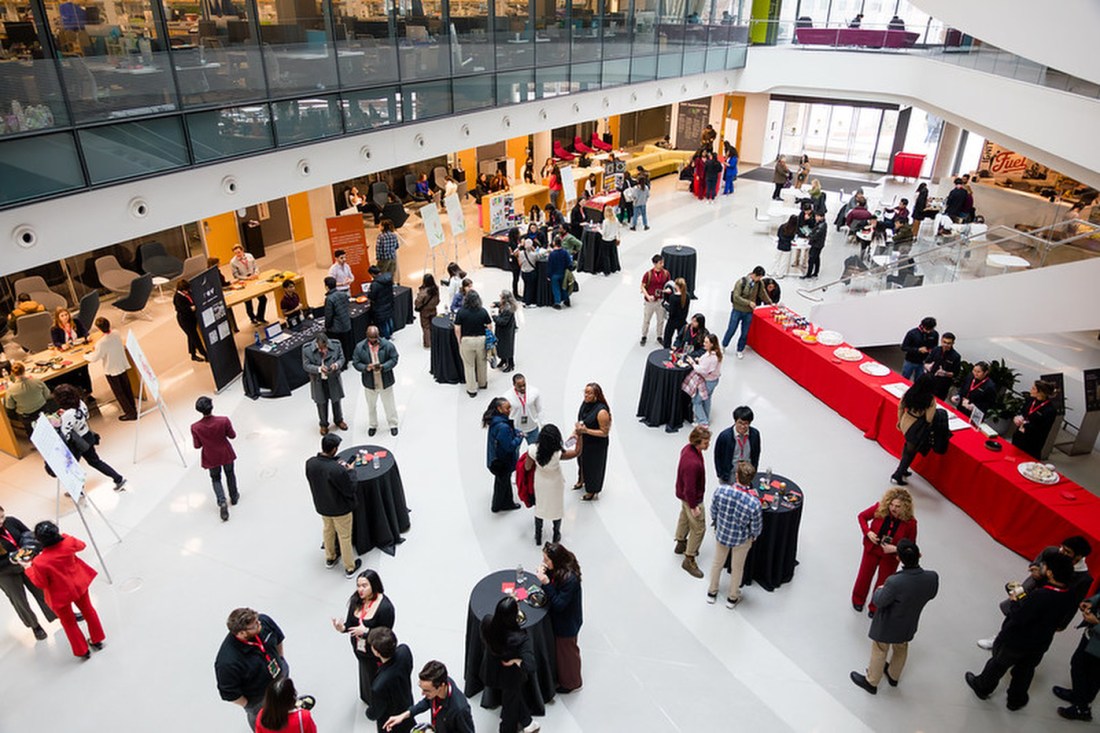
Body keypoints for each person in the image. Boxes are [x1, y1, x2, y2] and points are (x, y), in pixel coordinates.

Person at [966, 552, 1078, 711]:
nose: (1041, 567)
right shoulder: (1070, 593)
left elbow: (1019, 616)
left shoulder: (1041, 595)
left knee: (998, 664)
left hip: (1015, 640)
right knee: (1025, 671)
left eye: (1045, 566)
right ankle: (1016, 699)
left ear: (1051, 573)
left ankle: (982, 686)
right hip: (1040, 642)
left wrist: (1015, 601)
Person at [849, 539, 939, 695]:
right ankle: (893, 675)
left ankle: (872, 681)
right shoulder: (932, 577)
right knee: (901, 647)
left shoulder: (894, 582)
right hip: (909, 622)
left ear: (898, 558)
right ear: (919, 555)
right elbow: (931, 594)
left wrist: (880, 589)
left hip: (888, 624)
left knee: (880, 649)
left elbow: (879, 601)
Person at [978, 536, 1093, 650]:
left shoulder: (1083, 579)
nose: (1062, 552)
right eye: (1062, 548)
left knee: (1034, 629)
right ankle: (999, 640)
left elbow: (1073, 603)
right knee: (1013, 617)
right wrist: (1036, 569)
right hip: (1030, 592)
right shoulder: (1052, 551)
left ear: (1079, 556)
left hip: (1048, 606)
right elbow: (1038, 562)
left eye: (1067, 551)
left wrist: (1063, 623)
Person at [20, 520, 104, 660]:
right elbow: (82, 545)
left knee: (68, 622)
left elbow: (40, 583)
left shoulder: (40, 562)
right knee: (88, 610)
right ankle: (97, 639)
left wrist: (28, 568)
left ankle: (82, 650)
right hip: (78, 583)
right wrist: (64, 536)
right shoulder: (68, 542)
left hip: (59, 594)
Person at [214, 607, 288, 730]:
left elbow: (278, 639)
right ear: (241, 633)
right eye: (255, 625)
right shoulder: (228, 662)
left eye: (257, 621)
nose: (260, 624)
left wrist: (281, 660)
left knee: (286, 704)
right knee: (267, 726)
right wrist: (251, 705)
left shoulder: (263, 621)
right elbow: (230, 693)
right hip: (260, 698)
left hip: (280, 676)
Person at [331, 569, 395, 704]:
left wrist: (366, 632)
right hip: (360, 650)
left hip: (375, 652)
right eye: (358, 585)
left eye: (364, 586)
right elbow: (350, 625)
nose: (360, 590)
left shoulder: (385, 608)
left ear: (374, 585)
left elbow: (386, 635)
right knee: (366, 675)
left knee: (377, 677)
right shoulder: (356, 601)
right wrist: (342, 628)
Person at [852, 487, 918, 613]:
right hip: (872, 549)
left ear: (905, 507)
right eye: (891, 505)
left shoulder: (911, 523)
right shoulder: (880, 508)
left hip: (891, 556)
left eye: (898, 506)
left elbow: (911, 545)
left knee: (884, 583)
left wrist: (895, 548)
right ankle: (858, 600)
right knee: (864, 576)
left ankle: (875, 606)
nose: (893, 508)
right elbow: (862, 517)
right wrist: (868, 532)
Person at [480, 596, 539, 733]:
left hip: (491, 669)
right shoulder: (520, 638)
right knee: (509, 708)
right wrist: (517, 661)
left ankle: (527, 721)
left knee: (514, 697)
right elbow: (530, 666)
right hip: (510, 677)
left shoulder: (487, 622)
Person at [707, 461, 762, 607]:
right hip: (741, 539)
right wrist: (753, 535)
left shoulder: (721, 491)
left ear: (736, 475)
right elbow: (756, 526)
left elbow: (713, 511)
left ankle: (712, 592)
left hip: (722, 533)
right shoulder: (754, 503)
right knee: (737, 568)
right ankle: (732, 597)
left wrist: (718, 523)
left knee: (717, 563)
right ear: (751, 480)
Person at [306, 433, 361, 578]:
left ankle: (330, 558)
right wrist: (351, 471)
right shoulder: (337, 470)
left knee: (328, 531)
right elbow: (350, 489)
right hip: (340, 509)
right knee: (344, 536)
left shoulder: (310, 463)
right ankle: (350, 567)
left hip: (323, 506)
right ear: (335, 449)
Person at [53, 383, 126, 490]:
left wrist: (58, 422)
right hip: (87, 436)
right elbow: (86, 416)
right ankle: (118, 478)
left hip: (76, 443)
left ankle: (78, 489)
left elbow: (66, 434)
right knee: (95, 461)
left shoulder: (67, 415)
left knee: (72, 467)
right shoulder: (81, 403)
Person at [0, 505, 56, 641]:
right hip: (5, 572)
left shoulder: (11, 521)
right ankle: (35, 626)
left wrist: (30, 549)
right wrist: (10, 559)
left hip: (26, 563)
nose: (1, 522)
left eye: (2, 517)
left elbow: (29, 534)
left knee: (42, 590)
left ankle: (58, 614)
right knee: (19, 600)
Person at [536, 542, 584, 693]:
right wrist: (546, 573)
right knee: (562, 654)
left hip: (567, 623)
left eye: (546, 560)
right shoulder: (560, 569)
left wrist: (546, 582)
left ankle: (572, 683)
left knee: (567, 655)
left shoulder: (570, 579)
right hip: (560, 620)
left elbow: (559, 604)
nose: (544, 562)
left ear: (556, 560)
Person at [383, 660, 475, 733]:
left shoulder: (460, 710)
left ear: (441, 686)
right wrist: (403, 716)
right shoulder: (441, 684)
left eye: (427, 690)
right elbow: (427, 701)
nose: (422, 693)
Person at [525, 425, 579, 544]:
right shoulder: (558, 454)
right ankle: (556, 534)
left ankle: (538, 536)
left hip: (540, 482)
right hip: (555, 483)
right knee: (556, 508)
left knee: (540, 507)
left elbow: (527, 466)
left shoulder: (532, 449)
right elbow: (576, 452)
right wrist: (578, 437)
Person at [1053, 587, 1100, 720]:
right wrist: (1091, 602)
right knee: (1080, 665)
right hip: (1092, 636)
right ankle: (1079, 694)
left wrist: (1096, 623)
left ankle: (1082, 708)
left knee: (1092, 673)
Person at [191, 395, 239, 521]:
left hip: (210, 456)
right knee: (230, 474)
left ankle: (221, 501)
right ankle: (234, 497)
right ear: (212, 407)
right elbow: (232, 435)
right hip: (225, 453)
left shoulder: (195, 427)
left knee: (215, 478)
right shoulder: (223, 420)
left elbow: (197, 445)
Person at [674, 426, 710, 578]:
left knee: (684, 517)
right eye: (705, 442)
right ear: (697, 442)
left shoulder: (687, 449)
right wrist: (694, 506)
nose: (708, 445)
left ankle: (681, 541)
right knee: (699, 528)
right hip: (692, 498)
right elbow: (690, 488)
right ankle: (689, 558)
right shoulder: (692, 464)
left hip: (683, 495)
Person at [352, 326, 400, 437]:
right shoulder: (360, 347)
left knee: (389, 404)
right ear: (367, 336)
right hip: (369, 381)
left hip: (385, 380)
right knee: (371, 405)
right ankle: (373, 425)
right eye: (371, 338)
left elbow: (394, 358)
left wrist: (383, 366)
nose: (373, 340)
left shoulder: (387, 345)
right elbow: (356, 362)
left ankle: (393, 424)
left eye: (375, 338)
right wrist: (365, 367)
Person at [365, 627, 414, 732]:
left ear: (377, 652)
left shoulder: (379, 685)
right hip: (407, 706)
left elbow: (375, 713)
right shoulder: (404, 651)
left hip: (390, 723)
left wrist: (368, 712)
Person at [891, 375, 937, 484]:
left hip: (906, 421)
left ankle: (903, 469)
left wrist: (900, 419)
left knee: (907, 447)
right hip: (917, 427)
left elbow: (901, 406)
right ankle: (898, 473)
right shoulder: (930, 399)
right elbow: (929, 418)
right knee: (911, 451)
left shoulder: (910, 392)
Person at [721, 266, 772, 358]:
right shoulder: (741, 282)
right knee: (731, 329)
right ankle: (724, 345)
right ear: (754, 274)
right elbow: (736, 297)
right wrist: (749, 302)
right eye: (759, 277)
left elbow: (763, 294)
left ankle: (740, 349)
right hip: (737, 310)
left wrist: (771, 303)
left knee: (745, 332)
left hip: (748, 312)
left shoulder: (759, 284)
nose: (759, 279)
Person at [484, 397, 523, 512]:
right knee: (502, 483)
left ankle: (508, 502)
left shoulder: (496, 422)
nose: (510, 410)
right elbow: (510, 446)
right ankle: (497, 505)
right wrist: (519, 438)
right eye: (507, 408)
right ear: (499, 409)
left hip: (496, 460)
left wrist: (515, 433)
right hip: (503, 462)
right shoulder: (503, 427)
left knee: (503, 482)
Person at [302, 334, 347, 435]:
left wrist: (336, 365)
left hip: (333, 379)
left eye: (326, 347)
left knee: (336, 400)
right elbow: (306, 365)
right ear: (317, 344)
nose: (324, 350)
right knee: (321, 403)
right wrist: (318, 369)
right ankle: (323, 424)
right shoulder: (307, 349)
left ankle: (339, 420)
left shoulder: (336, 344)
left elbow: (341, 358)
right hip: (318, 381)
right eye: (322, 349)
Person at [574, 383, 611, 501]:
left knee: (593, 467)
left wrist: (586, 430)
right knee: (581, 462)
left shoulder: (602, 412)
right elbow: (582, 420)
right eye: (585, 392)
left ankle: (591, 491)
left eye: (589, 393)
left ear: (596, 395)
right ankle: (581, 480)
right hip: (584, 441)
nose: (586, 395)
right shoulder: (585, 404)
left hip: (596, 446)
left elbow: (604, 432)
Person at [454, 290, 492, 398]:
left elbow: (457, 328)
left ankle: (471, 389)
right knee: (482, 362)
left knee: (469, 365)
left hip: (467, 341)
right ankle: (482, 383)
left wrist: (459, 340)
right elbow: (489, 326)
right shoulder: (483, 311)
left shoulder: (461, 312)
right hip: (481, 340)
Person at [713, 405, 761, 484]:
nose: (742, 426)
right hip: (730, 474)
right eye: (740, 423)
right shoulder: (725, 436)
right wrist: (721, 474)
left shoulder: (754, 434)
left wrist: (753, 471)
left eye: (746, 423)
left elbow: (756, 454)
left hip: (746, 475)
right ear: (735, 421)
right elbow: (718, 456)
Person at [1012, 379, 1059, 460]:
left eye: (1033, 388)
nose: (1031, 390)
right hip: (1019, 437)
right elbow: (1023, 412)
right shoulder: (1030, 400)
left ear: (1040, 392)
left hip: (1032, 443)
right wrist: (1017, 418)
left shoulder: (1050, 410)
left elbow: (1042, 429)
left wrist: (1026, 426)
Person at [684, 334, 723, 427]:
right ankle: (706, 417)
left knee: (696, 401)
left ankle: (703, 421)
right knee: (706, 399)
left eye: (706, 342)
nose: (704, 344)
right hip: (713, 380)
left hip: (708, 382)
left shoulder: (712, 358)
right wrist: (699, 360)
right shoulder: (714, 353)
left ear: (712, 344)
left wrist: (693, 363)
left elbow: (702, 370)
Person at [3, 361, 51, 433]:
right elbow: (47, 395)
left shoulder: (11, 390)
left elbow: (10, 407)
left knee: (5, 404)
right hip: (42, 409)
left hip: (27, 416)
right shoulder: (37, 381)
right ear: (24, 370)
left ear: (12, 374)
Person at [230, 243, 267, 324]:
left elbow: (255, 266)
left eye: (239, 252)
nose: (238, 254)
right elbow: (235, 275)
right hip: (245, 281)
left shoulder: (249, 256)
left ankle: (260, 317)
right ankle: (252, 318)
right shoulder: (233, 262)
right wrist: (246, 278)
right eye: (236, 253)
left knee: (263, 299)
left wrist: (256, 273)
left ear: (242, 250)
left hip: (254, 278)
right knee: (248, 301)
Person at [502, 373, 543, 445]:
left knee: (535, 452)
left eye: (524, 385)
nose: (523, 388)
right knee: (514, 453)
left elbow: (539, 409)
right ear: (514, 385)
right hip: (516, 429)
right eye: (519, 386)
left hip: (532, 428)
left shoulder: (534, 392)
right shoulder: (507, 396)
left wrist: (543, 425)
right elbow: (504, 415)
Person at [173, 278, 207, 362]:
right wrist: (192, 308)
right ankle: (205, 354)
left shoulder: (189, 292)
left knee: (191, 336)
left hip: (192, 318)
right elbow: (183, 309)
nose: (187, 292)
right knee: (195, 337)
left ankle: (193, 354)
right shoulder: (178, 298)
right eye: (185, 291)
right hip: (185, 320)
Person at [640, 254, 670, 346]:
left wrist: (667, 290)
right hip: (650, 302)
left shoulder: (666, 273)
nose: (662, 264)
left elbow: (669, 285)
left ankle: (659, 336)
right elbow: (642, 286)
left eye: (662, 262)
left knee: (660, 320)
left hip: (660, 301)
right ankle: (644, 335)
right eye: (660, 263)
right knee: (646, 319)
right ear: (655, 263)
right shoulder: (648, 274)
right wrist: (648, 296)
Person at [323, 275, 354, 363]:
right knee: (346, 344)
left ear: (327, 287)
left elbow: (329, 315)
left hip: (336, 328)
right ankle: (348, 359)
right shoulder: (343, 294)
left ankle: (342, 364)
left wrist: (327, 326)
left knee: (338, 347)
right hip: (346, 323)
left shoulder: (329, 299)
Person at [900, 316, 938, 382]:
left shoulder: (935, 334)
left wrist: (931, 351)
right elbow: (904, 347)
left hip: (923, 362)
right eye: (927, 329)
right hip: (910, 361)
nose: (928, 332)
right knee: (904, 379)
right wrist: (918, 350)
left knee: (919, 381)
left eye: (931, 330)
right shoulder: (912, 333)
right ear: (922, 326)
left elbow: (935, 347)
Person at [923, 332, 960, 400]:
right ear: (941, 340)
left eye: (948, 343)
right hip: (929, 380)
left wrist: (945, 373)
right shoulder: (936, 349)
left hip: (942, 386)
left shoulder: (956, 356)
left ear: (953, 343)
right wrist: (927, 366)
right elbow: (926, 362)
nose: (945, 345)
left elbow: (955, 374)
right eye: (944, 342)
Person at [367, 265, 396, 338]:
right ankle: (391, 333)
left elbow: (372, 296)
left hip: (380, 307)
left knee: (383, 323)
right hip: (389, 303)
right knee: (389, 319)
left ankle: (387, 337)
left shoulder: (375, 284)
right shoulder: (388, 278)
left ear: (372, 274)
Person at [662, 277, 690, 351]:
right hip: (682, 320)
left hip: (672, 321)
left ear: (677, 286)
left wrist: (665, 305)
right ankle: (679, 350)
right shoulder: (687, 296)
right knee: (681, 337)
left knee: (667, 338)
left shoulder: (673, 297)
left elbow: (672, 312)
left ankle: (666, 351)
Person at [493, 291, 519, 372]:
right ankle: (503, 360)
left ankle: (511, 364)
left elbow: (503, 321)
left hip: (506, 332)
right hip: (503, 331)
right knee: (501, 346)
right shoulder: (506, 305)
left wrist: (494, 317)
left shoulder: (508, 309)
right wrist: (495, 304)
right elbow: (500, 304)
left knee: (507, 347)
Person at [413, 273, 440, 349]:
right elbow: (438, 299)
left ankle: (428, 344)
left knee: (426, 327)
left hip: (425, 311)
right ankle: (435, 340)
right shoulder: (436, 288)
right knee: (433, 325)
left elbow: (417, 302)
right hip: (433, 309)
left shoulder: (423, 292)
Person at [546, 237, 573, 309]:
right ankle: (566, 299)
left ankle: (557, 302)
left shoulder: (552, 254)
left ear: (554, 243)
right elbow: (569, 262)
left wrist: (548, 275)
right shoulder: (565, 252)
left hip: (554, 274)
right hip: (563, 273)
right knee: (563, 287)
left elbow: (550, 266)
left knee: (556, 288)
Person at [800, 211, 827, 279]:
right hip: (819, 244)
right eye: (816, 216)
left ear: (822, 217)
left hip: (816, 244)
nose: (816, 218)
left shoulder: (821, 226)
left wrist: (809, 236)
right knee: (817, 258)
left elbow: (816, 235)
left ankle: (809, 274)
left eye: (818, 216)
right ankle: (815, 272)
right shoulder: (821, 224)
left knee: (811, 259)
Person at [597, 204, 620, 275]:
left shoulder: (606, 221)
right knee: (613, 254)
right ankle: (614, 268)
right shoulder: (616, 220)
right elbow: (617, 230)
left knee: (606, 256)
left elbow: (604, 233)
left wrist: (598, 229)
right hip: (613, 239)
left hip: (606, 240)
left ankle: (607, 270)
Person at [774, 214, 798, 279]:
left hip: (780, 245)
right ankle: (780, 274)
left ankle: (774, 271)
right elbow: (792, 239)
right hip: (787, 248)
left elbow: (778, 234)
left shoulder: (782, 226)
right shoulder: (794, 230)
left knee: (777, 259)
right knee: (784, 262)